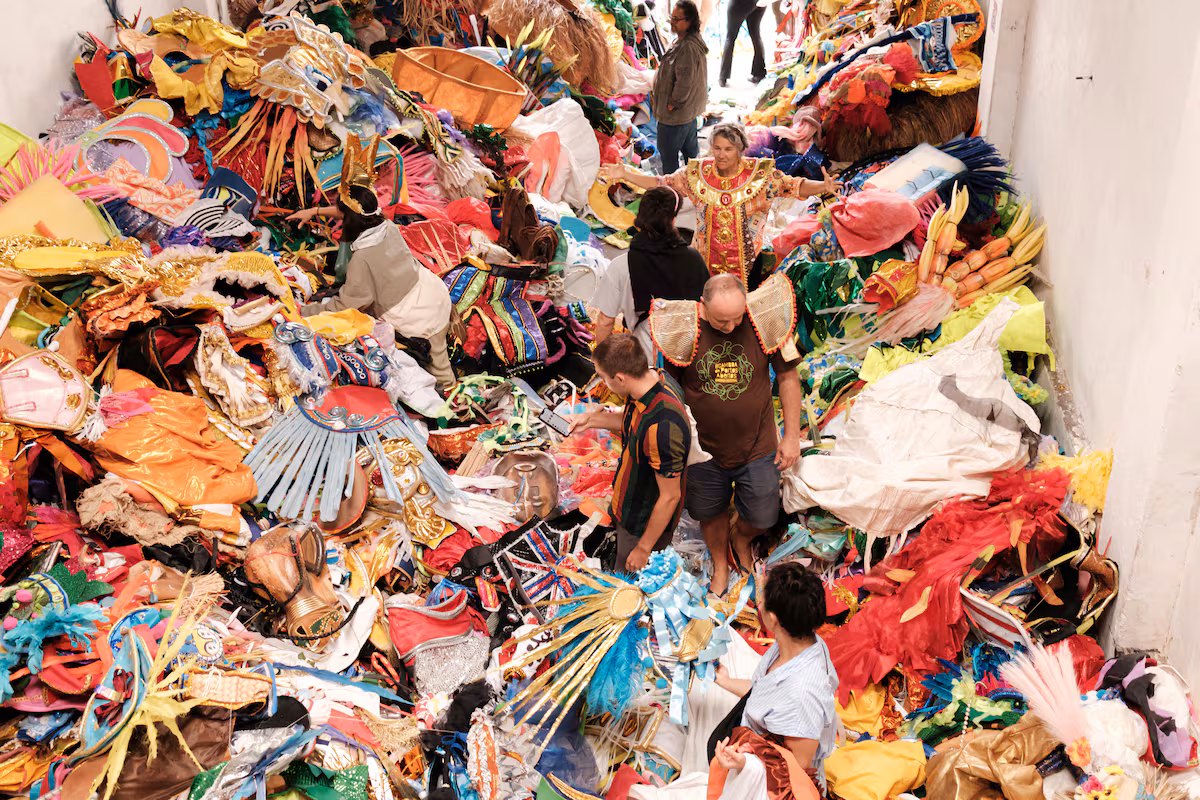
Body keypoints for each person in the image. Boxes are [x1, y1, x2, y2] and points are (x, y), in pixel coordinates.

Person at [650, 273, 803, 597]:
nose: (732, 328)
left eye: (737, 319)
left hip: (758, 445)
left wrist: (791, 437)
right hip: (702, 450)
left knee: (764, 515)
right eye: (722, 322)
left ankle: (742, 538)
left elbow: (788, 377)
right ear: (702, 307)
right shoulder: (684, 327)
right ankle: (720, 562)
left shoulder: (763, 319)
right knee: (709, 512)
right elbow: (669, 389)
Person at [601, 122, 840, 289]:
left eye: (728, 149)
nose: (721, 155)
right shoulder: (697, 172)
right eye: (717, 148)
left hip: (749, 263)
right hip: (704, 261)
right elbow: (661, 182)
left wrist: (822, 187)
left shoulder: (759, 174)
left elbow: (793, 185)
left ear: (740, 150)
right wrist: (626, 173)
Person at [299, 185, 457, 389]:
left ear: (350, 219)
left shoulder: (362, 259)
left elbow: (349, 305)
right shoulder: (387, 225)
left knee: (443, 380)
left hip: (420, 316)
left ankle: (455, 408)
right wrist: (315, 211)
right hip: (433, 291)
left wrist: (306, 310)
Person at [712, 562, 839, 797]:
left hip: (767, 784)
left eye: (763, 600)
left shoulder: (802, 696)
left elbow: (796, 770)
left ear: (772, 618)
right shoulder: (796, 644)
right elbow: (767, 692)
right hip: (750, 748)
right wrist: (726, 681)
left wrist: (745, 765)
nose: (758, 604)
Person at [569, 334, 690, 572]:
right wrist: (591, 420)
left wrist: (643, 549)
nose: (603, 384)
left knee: (630, 582)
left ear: (621, 378)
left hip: (641, 525)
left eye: (604, 378)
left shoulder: (663, 425)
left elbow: (670, 497)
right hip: (628, 506)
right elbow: (633, 422)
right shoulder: (654, 380)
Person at [591, 186, 708, 359]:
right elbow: (706, 307)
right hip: (691, 352)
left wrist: (601, 364)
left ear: (640, 216)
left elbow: (605, 321)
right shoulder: (694, 258)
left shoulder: (621, 266)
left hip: (648, 357)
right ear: (673, 220)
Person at [652, 0, 708, 175]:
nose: (672, 21)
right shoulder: (685, 41)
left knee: (669, 159)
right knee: (691, 156)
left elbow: (685, 81)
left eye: (677, 19)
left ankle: (672, 194)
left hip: (676, 116)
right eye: (671, 17)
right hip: (687, 115)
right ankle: (695, 187)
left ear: (689, 21)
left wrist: (673, 103)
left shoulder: (687, 48)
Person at [719, 0, 767, 87]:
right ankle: (759, 73)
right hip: (760, 2)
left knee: (730, 37)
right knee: (756, 34)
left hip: (740, 3)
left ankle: (723, 76)